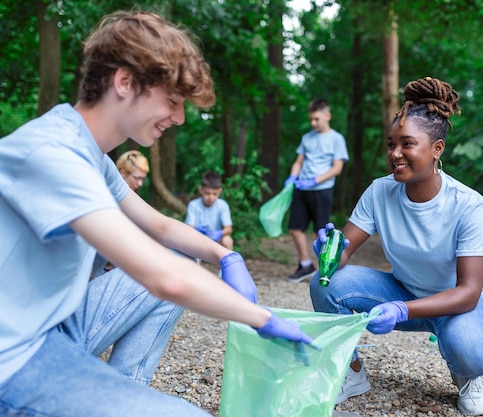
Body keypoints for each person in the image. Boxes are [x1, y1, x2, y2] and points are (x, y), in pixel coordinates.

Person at [0, 11, 314, 417]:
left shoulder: (94, 156)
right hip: (16, 357)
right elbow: (163, 278)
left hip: (61, 326)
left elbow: (161, 226)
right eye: (172, 101)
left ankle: (127, 390)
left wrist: (225, 256)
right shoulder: (53, 152)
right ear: (125, 82)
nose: (180, 117)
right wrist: (260, 318)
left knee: (185, 253)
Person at [310, 77, 483, 416]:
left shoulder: (469, 205)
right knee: (327, 285)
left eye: (407, 144)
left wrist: (403, 311)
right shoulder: (380, 192)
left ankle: (466, 375)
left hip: (456, 304)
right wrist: (330, 250)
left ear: (436, 149)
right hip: (403, 290)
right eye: (391, 144)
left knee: (472, 351)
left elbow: (470, 292)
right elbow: (343, 256)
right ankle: (351, 373)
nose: (395, 154)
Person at [283, 98, 349, 283]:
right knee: (295, 228)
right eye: (311, 119)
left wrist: (315, 181)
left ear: (327, 116)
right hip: (301, 188)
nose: (313, 123)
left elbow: (337, 168)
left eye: (317, 119)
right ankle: (305, 265)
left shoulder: (337, 139)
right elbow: (298, 162)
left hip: (321, 190)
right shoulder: (307, 138)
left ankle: (325, 269)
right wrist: (293, 177)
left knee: (320, 232)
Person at [92, 150, 151, 276]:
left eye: (142, 179)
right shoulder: (105, 197)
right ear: (123, 173)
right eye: (137, 178)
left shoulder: (132, 199)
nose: (140, 183)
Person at [185, 171, 234, 250]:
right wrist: (196, 230)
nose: (211, 197)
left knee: (227, 240)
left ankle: (227, 261)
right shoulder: (193, 205)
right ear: (201, 190)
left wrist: (220, 233)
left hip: (215, 241)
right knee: (188, 240)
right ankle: (194, 262)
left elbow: (228, 228)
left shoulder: (223, 205)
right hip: (198, 241)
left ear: (220, 191)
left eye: (215, 194)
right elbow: (188, 228)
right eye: (207, 193)